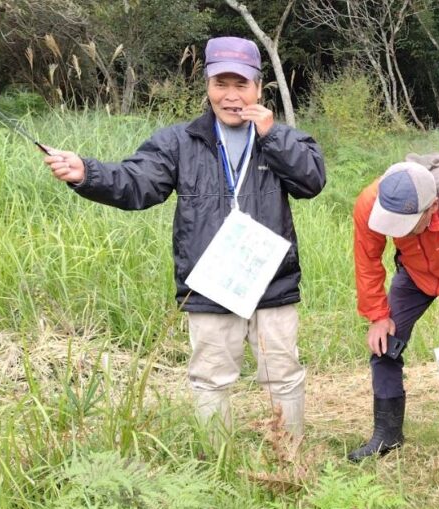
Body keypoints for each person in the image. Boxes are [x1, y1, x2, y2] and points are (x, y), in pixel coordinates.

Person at [42, 36, 326, 440]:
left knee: (282, 375)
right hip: (211, 284)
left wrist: (272, 136)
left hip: (271, 283)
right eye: (220, 84)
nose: (231, 96)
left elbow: (312, 180)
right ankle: (219, 464)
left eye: (241, 85)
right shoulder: (179, 142)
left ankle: (290, 457)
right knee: (211, 379)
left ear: (259, 88)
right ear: (207, 86)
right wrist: (87, 173)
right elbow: (136, 182)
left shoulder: (280, 139)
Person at [350, 161, 439, 476]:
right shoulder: (370, 203)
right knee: (383, 344)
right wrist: (377, 315)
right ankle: (387, 433)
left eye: (406, 223)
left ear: (433, 208)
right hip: (414, 274)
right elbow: (367, 259)